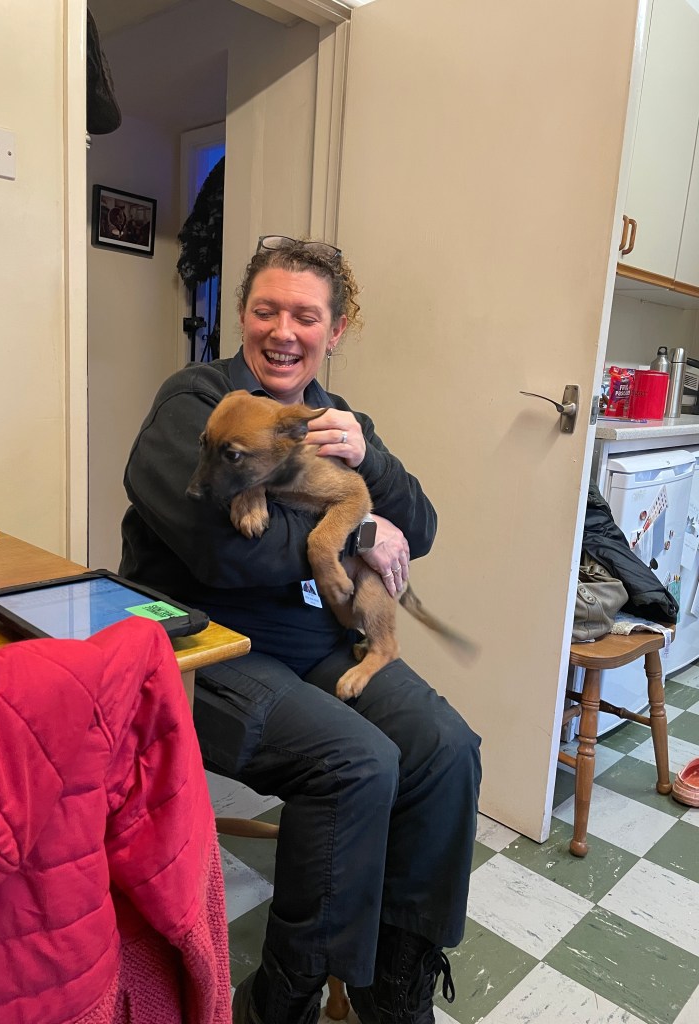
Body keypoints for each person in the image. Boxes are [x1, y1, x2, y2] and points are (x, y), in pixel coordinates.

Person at [119, 234, 482, 1024]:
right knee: (356, 763)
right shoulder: (194, 402)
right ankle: (283, 1001)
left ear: (335, 330)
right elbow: (220, 549)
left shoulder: (333, 421)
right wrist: (357, 533)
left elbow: (417, 530)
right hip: (208, 646)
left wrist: (369, 461)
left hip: (315, 641)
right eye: (266, 310)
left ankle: (396, 985)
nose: (283, 331)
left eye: (306, 316)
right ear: (242, 315)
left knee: (446, 748)